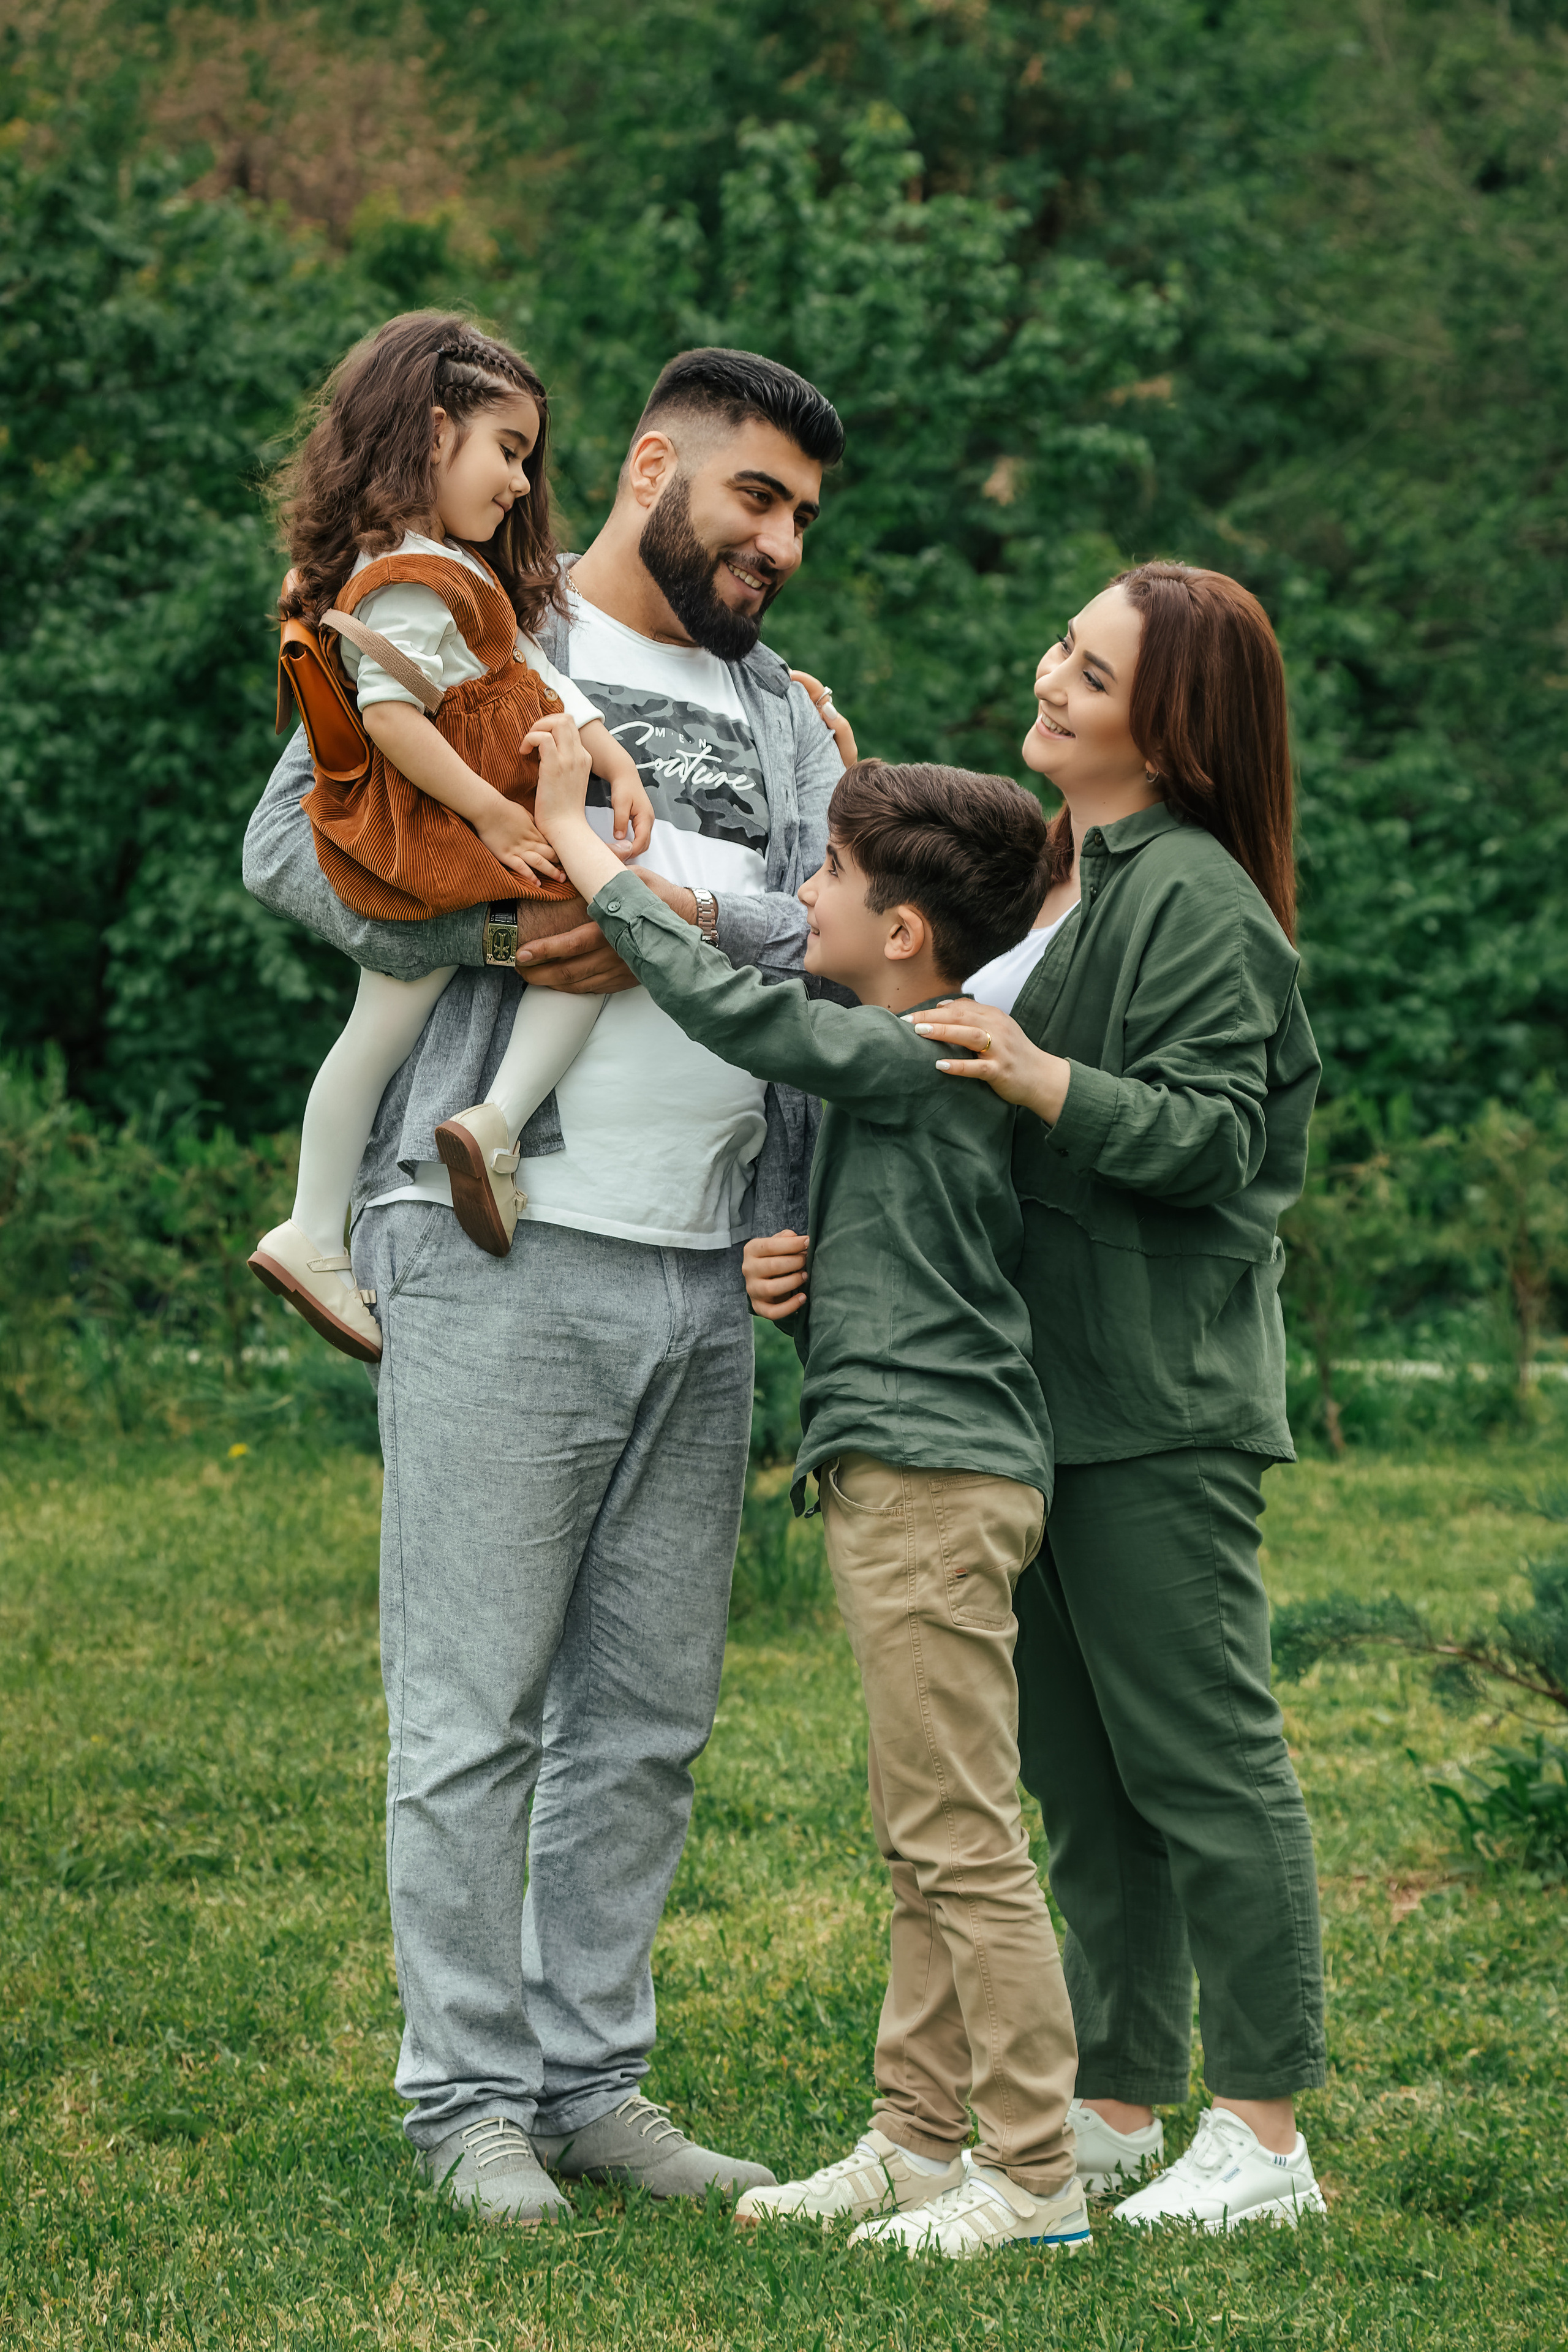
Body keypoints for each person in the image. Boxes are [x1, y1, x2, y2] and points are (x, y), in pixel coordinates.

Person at [243, 345, 846, 2223]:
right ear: (658, 463)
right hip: (504, 1245)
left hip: (703, 1268)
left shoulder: (793, 722)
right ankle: (467, 2108)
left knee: (649, 1719)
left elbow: (831, 967)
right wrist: (502, 919)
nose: (782, 544)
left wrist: (803, 1215)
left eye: (807, 519)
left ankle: (593, 2086)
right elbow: (295, 843)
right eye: (757, 498)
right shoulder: (485, 618)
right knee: (476, 1704)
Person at [530, 739, 1095, 2263]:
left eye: (830, 878)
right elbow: (927, 1253)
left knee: (960, 1839)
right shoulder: (917, 1062)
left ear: (901, 934)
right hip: (909, 1458)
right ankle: (918, 2144)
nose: (803, 896)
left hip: (932, 1476)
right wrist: (811, 1282)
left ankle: (1033, 2175)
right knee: (923, 1832)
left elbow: (735, 1007)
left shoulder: (923, 1047)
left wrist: (589, 861)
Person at [908, 562, 1329, 2231]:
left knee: (1208, 1765)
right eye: (1063, 651)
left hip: (1157, 1400)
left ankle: (1268, 2137)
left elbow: (1225, 1139)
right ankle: (1123, 2099)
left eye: (1093, 669)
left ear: (1173, 723)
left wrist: (1043, 1079)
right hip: (1043, 1396)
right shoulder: (1071, 880)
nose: (1053, 677)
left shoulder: (1202, 902)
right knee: (1086, 1786)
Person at [249, 315, 655, 1357]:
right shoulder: (407, 580)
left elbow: (534, 671)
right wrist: (490, 810)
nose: (523, 482)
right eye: (507, 452)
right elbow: (389, 717)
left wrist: (609, 756)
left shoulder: (451, 568)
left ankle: (320, 1220)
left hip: (458, 828)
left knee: (377, 1033)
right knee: (582, 934)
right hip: (437, 837)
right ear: (434, 436)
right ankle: (491, 1126)